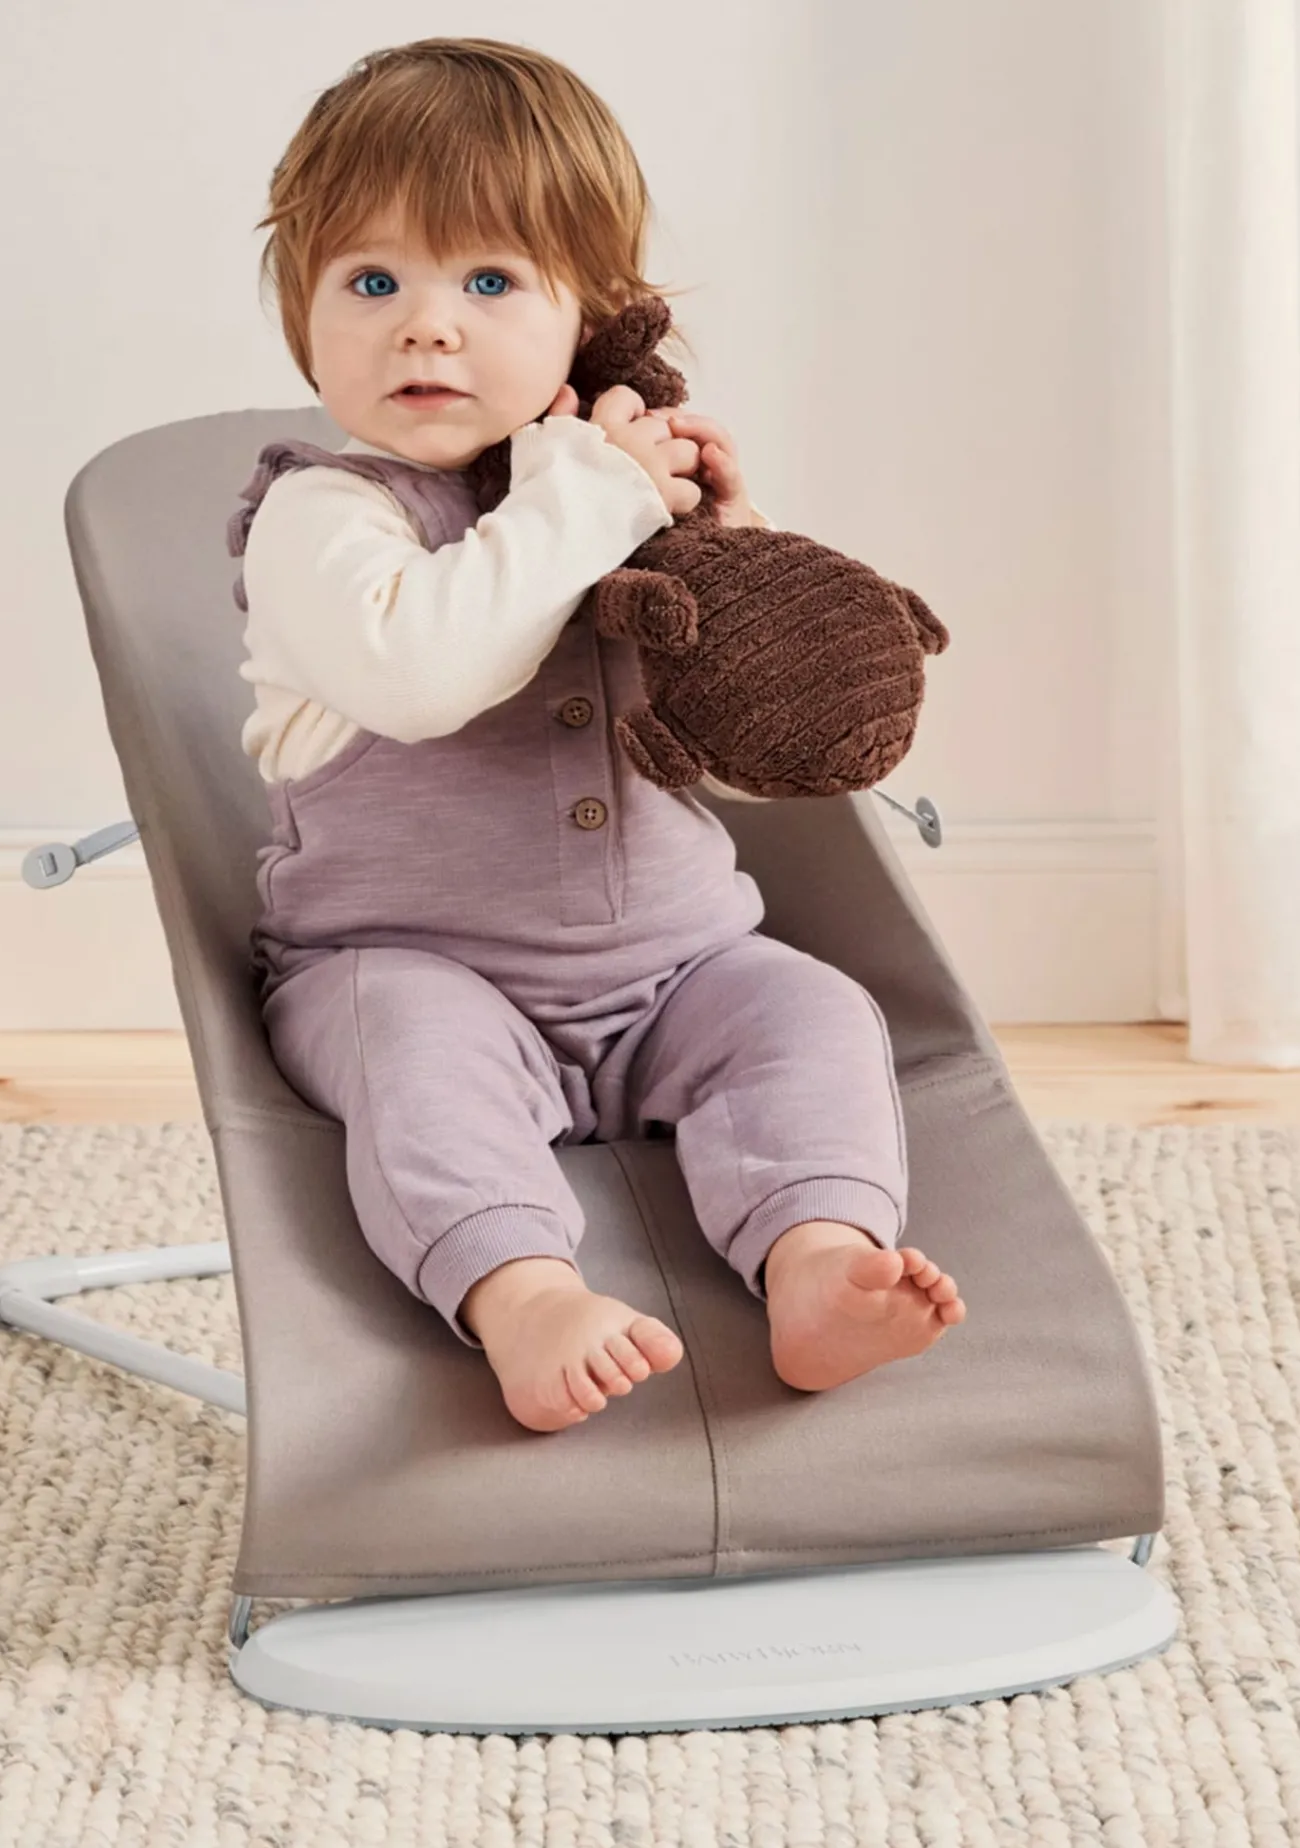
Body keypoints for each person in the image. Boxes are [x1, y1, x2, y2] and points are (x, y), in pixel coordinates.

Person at [231, 37, 964, 1433]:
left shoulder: (619, 504)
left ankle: (816, 1259)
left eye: (489, 282)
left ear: (591, 319)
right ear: (302, 315)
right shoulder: (323, 517)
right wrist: (589, 499)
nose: (426, 327)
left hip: (676, 970)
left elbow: (760, 758)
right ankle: (523, 1295)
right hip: (415, 966)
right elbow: (422, 674)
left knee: (810, 1014)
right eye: (371, 282)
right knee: (412, 1058)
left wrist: (731, 560)